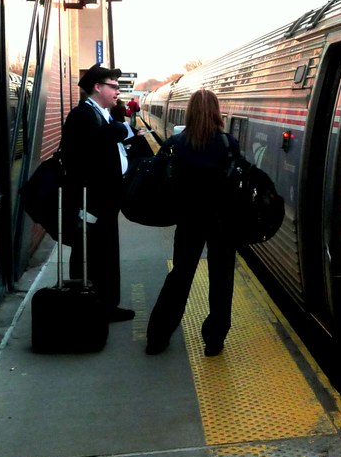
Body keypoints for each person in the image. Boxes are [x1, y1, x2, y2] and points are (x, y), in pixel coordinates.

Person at [145, 89, 241, 356]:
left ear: (189, 112)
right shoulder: (228, 144)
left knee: (180, 277)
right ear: (215, 111)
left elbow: (158, 178)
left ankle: (158, 337)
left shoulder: (175, 143)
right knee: (222, 280)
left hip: (188, 221)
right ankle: (214, 341)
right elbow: (236, 183)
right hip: (222, 222)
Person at [61, 64, 135, 322]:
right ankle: (90, 307)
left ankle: (104, 304)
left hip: (104, 199)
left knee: (104, 253)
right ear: (97, 87)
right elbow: (83, 155)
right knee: (91, 254)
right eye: (113, 86)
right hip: (92, 200)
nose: (117, 91)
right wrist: (119, 129)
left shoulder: (100, 113)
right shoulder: (82, 115)